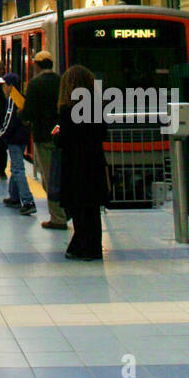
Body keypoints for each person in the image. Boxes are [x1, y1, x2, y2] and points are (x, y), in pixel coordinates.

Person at [53, 64, 110, 260]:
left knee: (78, 208)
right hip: (94, 163)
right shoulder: (96, 107)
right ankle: (94, 247)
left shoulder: (68, 110)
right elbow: (103, 133)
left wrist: (56, 136)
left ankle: (82, 246)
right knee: (93, 209)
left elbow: (63, 139)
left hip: (75, 165)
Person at [22, 50, 66, 230]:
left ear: (38, 65)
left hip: (43, 136)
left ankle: (58, 217)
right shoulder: (62, 81)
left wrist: (22, 114)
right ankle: (64, 212)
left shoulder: (34, 84)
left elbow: (29, 113)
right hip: (61, 134)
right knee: (62, 175)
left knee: (49, 177)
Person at [0, 71, 37, 216]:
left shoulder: (13, 100)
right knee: (15, 167)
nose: (2, 88)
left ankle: (28, 201)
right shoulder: (21, 98)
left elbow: (8, 123)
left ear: (10, 86)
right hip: (22, 137)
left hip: (15, 139)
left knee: (18, 169)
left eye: (4, 85)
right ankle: (14, 197)